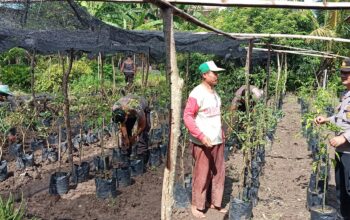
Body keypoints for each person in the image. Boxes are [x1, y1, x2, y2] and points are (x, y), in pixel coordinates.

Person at [183, 61, 227, 218]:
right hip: (202, 142)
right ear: (204, 75)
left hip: (217, 140)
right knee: (201, 174)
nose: (216, 76)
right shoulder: (197, 93)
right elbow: (187, 116)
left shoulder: (214, 93)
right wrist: (201, 136)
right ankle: (196, 205)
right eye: (213, 73)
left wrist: (221, 132)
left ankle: (215, 202)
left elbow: (216, 116)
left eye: (217, 73)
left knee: (218, 173)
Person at [315, 58, 350, 220]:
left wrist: (344, 137)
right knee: (340, 189)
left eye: (347, 73)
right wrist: (327, 119)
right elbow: (342, 118)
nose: (344, 76)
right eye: (342, 73)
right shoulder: (346, 95)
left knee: (348, 190)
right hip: (341, 152)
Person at [112, 94, 150, 163]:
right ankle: (126, 155)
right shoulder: (115, 108)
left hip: (142, 106)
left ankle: (142, 156)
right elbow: (122, 124)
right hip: (128, 109)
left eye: (124, 119)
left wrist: (134, 136)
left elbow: (142, 125)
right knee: (126, 132)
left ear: (126, 116)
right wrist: (126, 138)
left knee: (143, 132)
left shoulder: (136, 107)